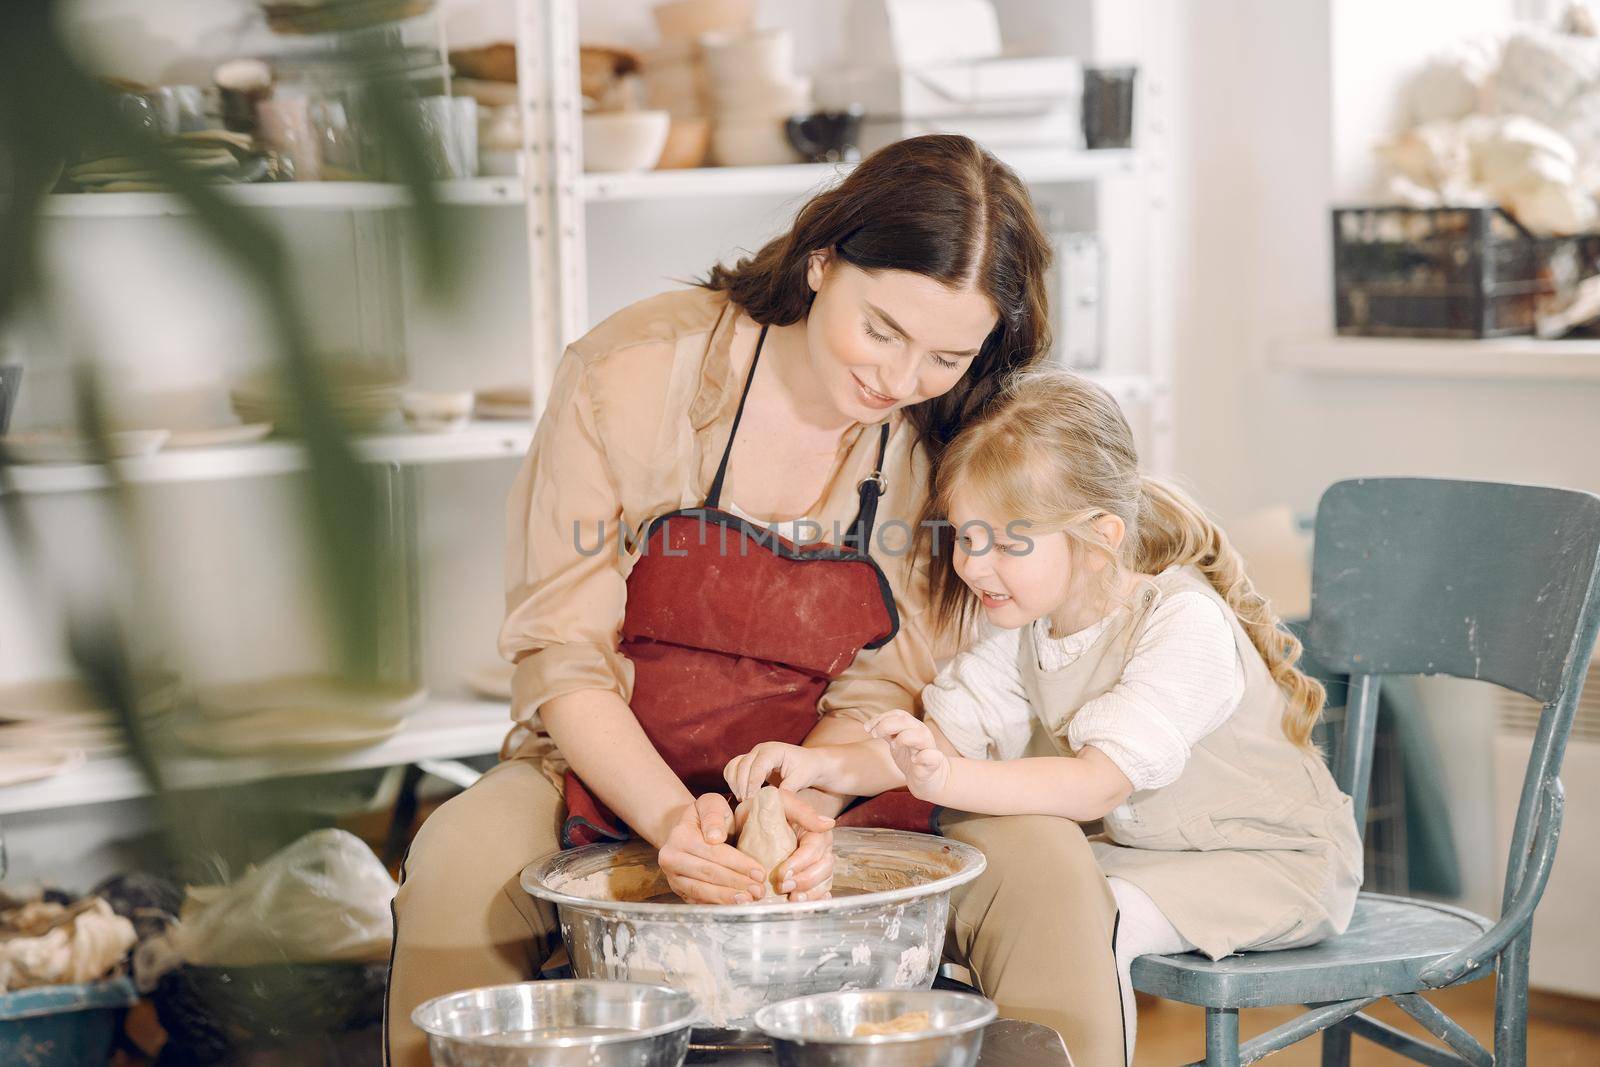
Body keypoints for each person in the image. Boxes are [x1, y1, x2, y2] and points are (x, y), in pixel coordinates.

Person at [385, 136, 1130, 1067]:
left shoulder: (950, 433)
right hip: (610, 768)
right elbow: (561, 655)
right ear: (822, 260)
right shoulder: (631, 372)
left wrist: (810, 795)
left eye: (946, 355)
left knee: (1050, 869)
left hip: (836, 783)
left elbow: (887, 689)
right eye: (883, 330)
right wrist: (669, 821)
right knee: (457, 858)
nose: (898, 382)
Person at [724, 369, 1364, 1066]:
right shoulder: (1030, 627)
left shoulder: (1185, 624)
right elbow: (938, 740)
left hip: (1279, 866)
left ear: (1097, 539)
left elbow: (1095, 786)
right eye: (965, 535)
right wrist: (824, 764)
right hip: (1165, 856)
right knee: (1024, 891)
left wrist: (947, 780)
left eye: (1003, 543)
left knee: (1089, 916)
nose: (971, 564)